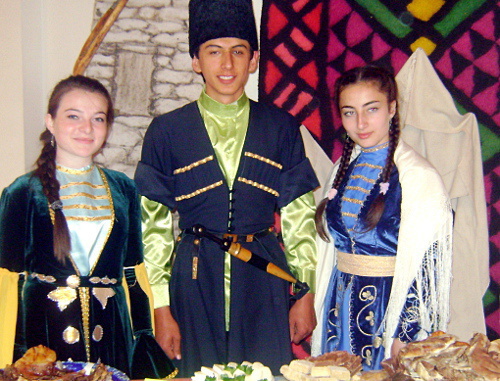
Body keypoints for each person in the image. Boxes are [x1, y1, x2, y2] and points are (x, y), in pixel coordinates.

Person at [134, 0, 319, 376]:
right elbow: (152, 229)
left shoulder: (282, 128)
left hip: (264, 281)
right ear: (196, 61)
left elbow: (300, 218)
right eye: (213, 52)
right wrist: (161, 307)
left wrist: (305, 293)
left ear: (253, 60)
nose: (227, 64)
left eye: (238, 51)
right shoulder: (165, 132)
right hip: (194, 279)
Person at [0, 75, 176, 379]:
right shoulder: (22, 192)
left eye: (98, 118)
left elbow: (134, 274)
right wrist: (6, 355)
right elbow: (7, 282)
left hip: (111, 340)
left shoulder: (124, 190)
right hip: (44, 341)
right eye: (73, 116)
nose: (87, 128)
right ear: (50, 122)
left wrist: (143, 340)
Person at [310, 65, 453, 370]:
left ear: (391, 108)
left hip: (386, 312)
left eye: (371, 109)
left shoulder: (419, 178)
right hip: (337, 307)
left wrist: (406, 333)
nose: (360, 123)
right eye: (349, 112)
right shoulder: (341, 170)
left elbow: (428, 265)